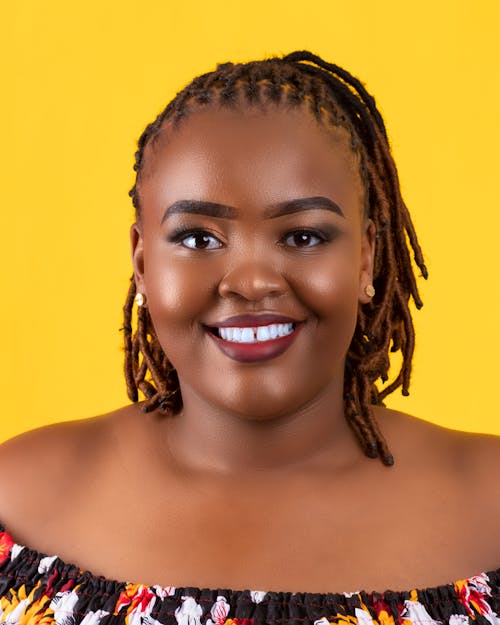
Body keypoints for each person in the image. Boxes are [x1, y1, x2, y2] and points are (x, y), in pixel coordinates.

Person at [0, 50, 498, 625]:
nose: (252, 281)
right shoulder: (18, 503)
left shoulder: (493, 507)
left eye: (304, 236)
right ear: (141, 263)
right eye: (197, 239)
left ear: (366, 259)